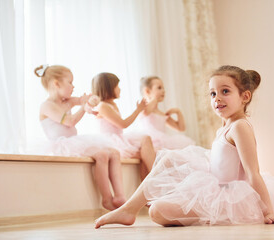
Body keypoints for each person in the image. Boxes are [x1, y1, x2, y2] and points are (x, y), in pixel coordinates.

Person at [94, 65, 274, 228]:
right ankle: (128, 209)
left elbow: (253, 172)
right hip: (215, 184)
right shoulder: (226, 125)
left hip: (231, 197)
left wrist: (268, 212)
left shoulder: (240, 127)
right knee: (169, 160)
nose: (217, 98)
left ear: (245, 96)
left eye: (225, 91)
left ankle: (129, 210)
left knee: (156, 210)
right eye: (213, 94)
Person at [35, 64, 125, 210]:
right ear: (56, 84)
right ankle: (107, 198)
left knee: (114, 152)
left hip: (74, 141)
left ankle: (120, 196)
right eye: (70, 82)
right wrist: (84, 107)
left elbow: (85, 101)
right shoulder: (47, 106)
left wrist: (90, 102)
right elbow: (70, 121)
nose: (73, 86)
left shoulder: (67, 101)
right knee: (102, 155)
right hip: (61, 145)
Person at [91, 72, 156, 180]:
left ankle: (149, 184)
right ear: (109, 88)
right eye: (117, 86)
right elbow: (123, 124)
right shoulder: (103, 106)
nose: (120, 89)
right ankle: (155, 176)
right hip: (112, 141)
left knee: (147, 150)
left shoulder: (113, 104)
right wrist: (138, 110)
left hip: (120, 138)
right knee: (145, 141)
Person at [138, 76, 195, 150]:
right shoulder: (144, 109)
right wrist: (154, 98)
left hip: (163, 143)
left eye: (163, 88)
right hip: (151, 144)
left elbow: (181, 128)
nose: (163, 91)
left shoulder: (162, 114)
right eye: (159, 88)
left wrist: (178, 112)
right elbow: (145, 112)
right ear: (147, 91)